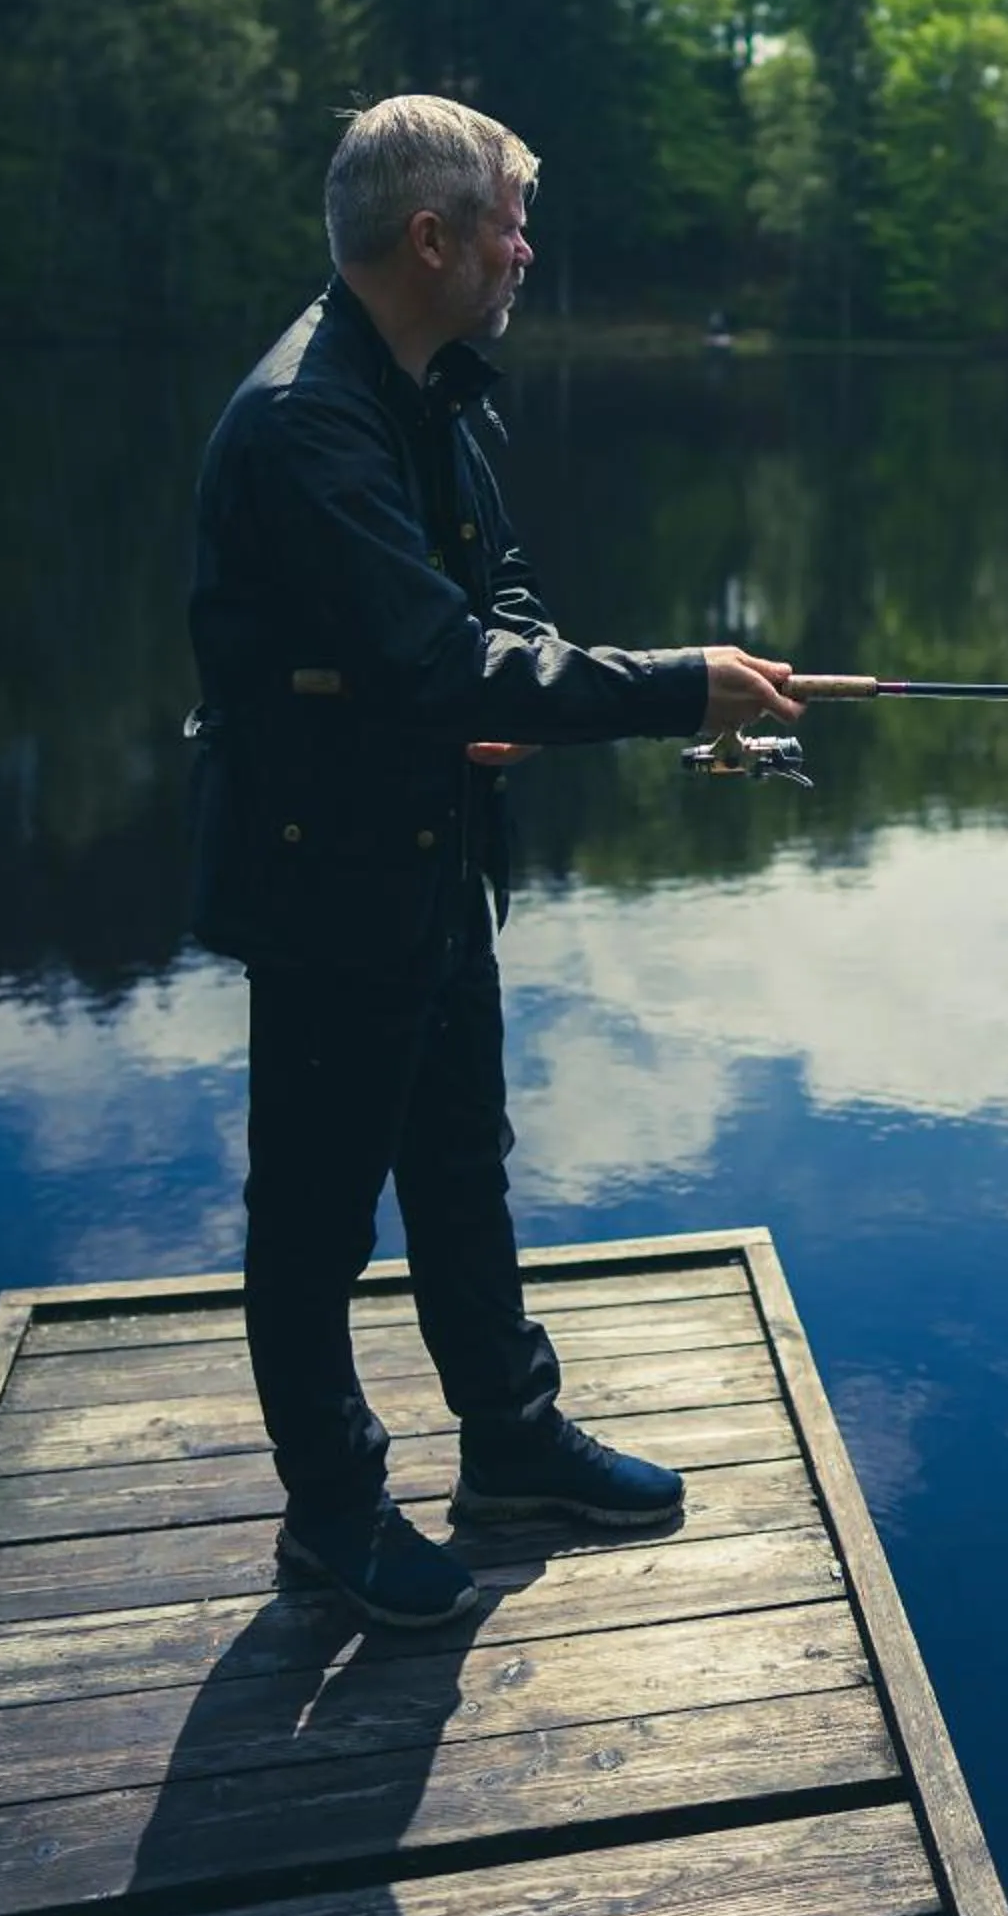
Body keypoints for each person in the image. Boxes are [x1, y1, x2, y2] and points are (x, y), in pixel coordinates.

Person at [187, 93, 800, 1628]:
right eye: (513, 225)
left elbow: (494, 607)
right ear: (433, 238)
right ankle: (331, 1513)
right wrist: (678, 683)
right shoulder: (303, 422)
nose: (529, 251)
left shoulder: (440, 388)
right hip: (325, 879)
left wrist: (514, 679)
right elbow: (440, 662)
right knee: (317, 1221)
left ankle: (511, 1442)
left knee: (462, 1169)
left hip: (431, 861)